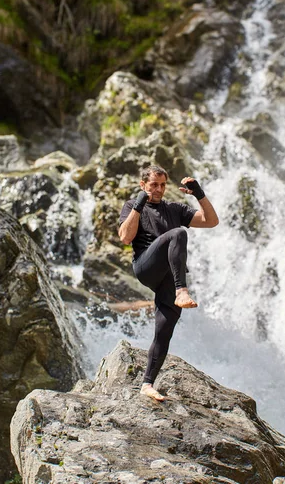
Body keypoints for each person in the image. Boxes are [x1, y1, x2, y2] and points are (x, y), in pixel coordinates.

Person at [118, 165, 219, 401]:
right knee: (179, 234)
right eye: (154, 185)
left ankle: (147, 384)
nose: (159, 189)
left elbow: (211, 221)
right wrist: (139, 203)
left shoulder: (174, 209)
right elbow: (125, 237)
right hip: (145, 265)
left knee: (164, 331)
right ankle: (182, 290)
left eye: (163, 185)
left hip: (167, 277)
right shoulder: (133, 206)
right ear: (143, 185)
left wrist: (199, 194)